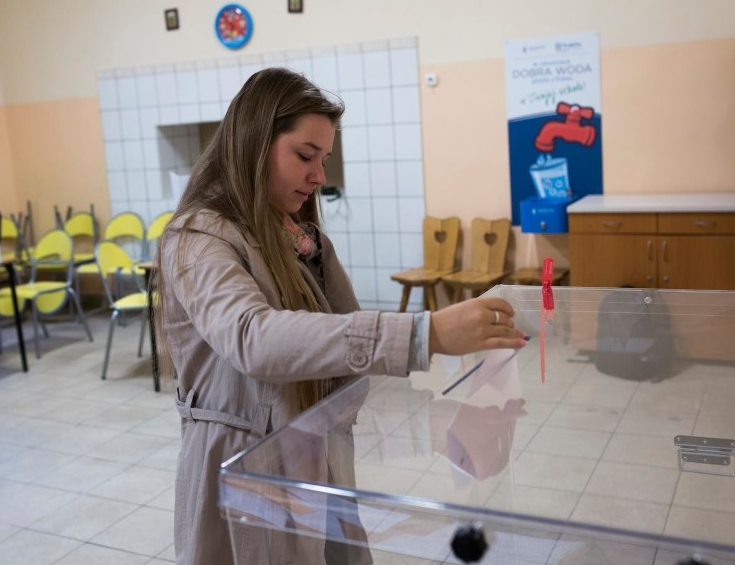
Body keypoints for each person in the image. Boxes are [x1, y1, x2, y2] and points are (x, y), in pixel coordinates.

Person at [155, 68, 527, 564]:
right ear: (252, 142)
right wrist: (427, 332)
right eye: (305, 156)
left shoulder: (300, 237)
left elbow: (343, 363)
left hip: (312, 462)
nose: (319, 176)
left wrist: (439, 424)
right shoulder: (198, 238)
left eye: (324, 159)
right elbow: (254, 338)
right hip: (244, 474)